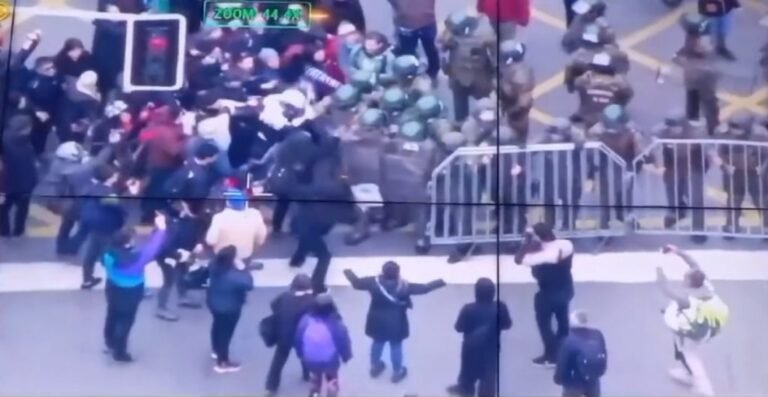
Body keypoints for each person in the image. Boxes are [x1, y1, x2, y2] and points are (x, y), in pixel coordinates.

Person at [343, 261, 447, 383]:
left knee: (377, 343)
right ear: (398, 272)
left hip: (376, 320)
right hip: (397, 322)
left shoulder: (373, 282)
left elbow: (356, 283)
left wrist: (348, 272)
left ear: (383, 271)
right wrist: (441, 281)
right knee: (396, 346)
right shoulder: (404, 286)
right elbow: (424, 288)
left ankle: (375, 366)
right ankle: (397, 372)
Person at [657, 245, 729, 397]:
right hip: (709, 324)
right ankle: (688, 373)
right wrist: (677, 251)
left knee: (691, 355)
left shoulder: (687, 298)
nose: (683, 277)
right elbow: (692, 263)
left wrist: (658, 266)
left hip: (695, 330)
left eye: (686, 277)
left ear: (690, 282)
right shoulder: (706, 283)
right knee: (682, 350)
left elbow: (665, 288)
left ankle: (703, 386)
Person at [101, 214, 168, 362]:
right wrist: (161, 229)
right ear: (127, 243)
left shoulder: (107, 253)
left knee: (112, 315)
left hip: (112, 288)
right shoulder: (137, 259)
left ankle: (109, 342)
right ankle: (120, 352)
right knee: (126, 321)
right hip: (131, 293)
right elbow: (153, 248)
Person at [515, 222, 575, 367]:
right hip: (566, 289)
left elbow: (518, 259)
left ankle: (551, 355)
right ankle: (564, 351)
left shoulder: (538, 256)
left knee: (544, 325)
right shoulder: (566, 245)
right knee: (563, 322)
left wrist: (527, 241)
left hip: (547, 293)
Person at [447, 278, 512, 397]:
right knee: (489, 375)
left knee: (467, 372)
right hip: (491, 348)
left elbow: (458, 327)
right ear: (493, 292)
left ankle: (465, 388)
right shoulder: (500, 307)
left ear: (476, 292)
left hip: (470, 347)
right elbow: (507, 325)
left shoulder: (468, 308)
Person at [155, 200, 208, 321]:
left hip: (184, 253)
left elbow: (199, 228)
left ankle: (182, 297)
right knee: (168, 281)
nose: (187, 210)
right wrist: (178, 255)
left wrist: (199, 242)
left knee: (182, 272)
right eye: (184, 208)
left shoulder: (189, 220)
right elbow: (163, 246)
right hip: (167, 257)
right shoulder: (167, 224)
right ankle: (161, 308)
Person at [207, 245, 254, 373]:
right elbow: (249, 284)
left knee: (217, 326)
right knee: (226, 334)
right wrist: (243, 269)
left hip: (213, 302)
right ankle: (222, 362)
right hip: (230, 308)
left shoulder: (213, 265)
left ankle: (215, 350)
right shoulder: (233, 276)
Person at [265, 274, 315, 396]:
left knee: (278, 360)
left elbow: (273, 305)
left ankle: (272, 385)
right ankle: (306, 374)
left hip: (284, 334)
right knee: (305, 355)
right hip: (301, 336)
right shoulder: (310, 301)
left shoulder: (285, 296)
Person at [295, 293, 353, 397]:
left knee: (315, 380)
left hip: (311, 359)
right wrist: (346, 356)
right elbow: (343, 342)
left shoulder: (305, 320)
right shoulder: (336, 324)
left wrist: (301, 354)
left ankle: (315, 394)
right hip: (330, 361)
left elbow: (298, 339)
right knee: (332, 381)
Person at [205, 188, 268, 269]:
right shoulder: (255, 214)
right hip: (245, 255)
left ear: (228, 203)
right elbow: (261, 238)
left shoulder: (219, 217)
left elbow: (210, 241)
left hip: (223, 257)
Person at [554, 311, 608, 397]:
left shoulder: (568, 340)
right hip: (593, 379)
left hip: (573, 381)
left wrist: (558, 378)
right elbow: (603, 352)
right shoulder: (597, 334)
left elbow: (562, 361)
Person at [0, 115, 37, 238]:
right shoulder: (26, 142)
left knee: (3, 209)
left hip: (7, 184)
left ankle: (4, 232)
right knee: (22, 210)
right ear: (26, 128)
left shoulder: (5, 139)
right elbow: (29, 164)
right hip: (24, 184)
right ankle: (18, 232)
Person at [387, 0, 440, 81]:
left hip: (411, 23)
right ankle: (429, 74)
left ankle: (413, 74)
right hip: (422, 21)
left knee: (410, 51)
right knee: (428, 49)